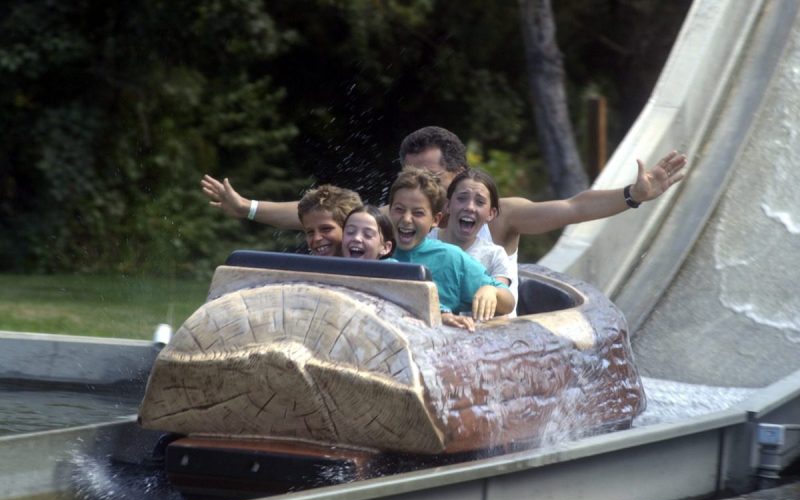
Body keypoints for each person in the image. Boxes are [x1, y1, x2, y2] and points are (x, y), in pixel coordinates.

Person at [201, 126, 687, 260]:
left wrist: (632, 194)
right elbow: (324, 216)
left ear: (459, 174)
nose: (421, 189)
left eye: (432, 178)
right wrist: (247, 208)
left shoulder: (502, 216)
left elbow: (573, 208)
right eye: (411, 176)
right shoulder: (401, 217)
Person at [388, 167, 514, 332]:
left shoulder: (451, 258)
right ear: (389, 211)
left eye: (418, 213)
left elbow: (508, 303)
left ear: (435, 219)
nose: (406, 219)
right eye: (399, 209)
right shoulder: (372, 247)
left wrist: (492, 291)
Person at [428, 168, 517, 313]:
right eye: (462, 198)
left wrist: (492, 291)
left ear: (491, 213)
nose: (469, 207)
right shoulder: (426, 242)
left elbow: (506, 301)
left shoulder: (494, 254)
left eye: (480, 202)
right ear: (448, 205)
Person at [297, 185, 362, 257]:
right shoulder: (301, 266)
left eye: (326, 229)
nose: (316, 238)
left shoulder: (371, 266)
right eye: (310, 232)